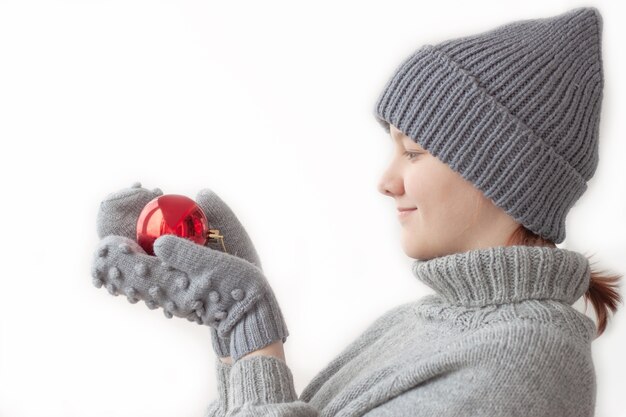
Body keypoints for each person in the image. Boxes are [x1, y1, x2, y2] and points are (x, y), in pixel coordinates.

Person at [91, 6, 622, 416]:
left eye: (413, 152)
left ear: (500, 172)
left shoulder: (524, 360)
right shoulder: (422, 323)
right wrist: (233, 335)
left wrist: (253, 329)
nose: (386, 181)